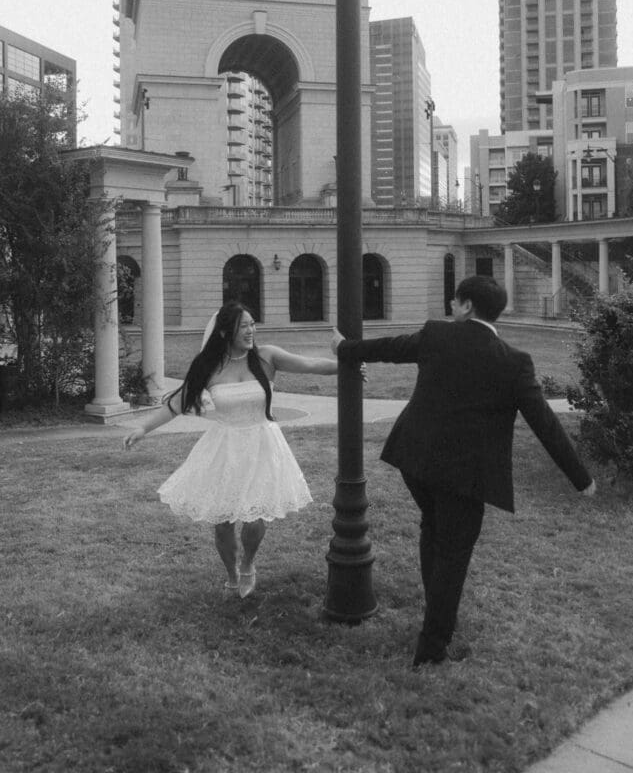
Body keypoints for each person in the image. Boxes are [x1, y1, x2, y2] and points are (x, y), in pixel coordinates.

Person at [332, 275, 596, 669]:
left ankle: (435, 610)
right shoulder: (513, 361)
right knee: (452, 554)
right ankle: (432, 648)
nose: (450, 308)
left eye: (454, 302)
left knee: (433, 531)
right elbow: (544, 422)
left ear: (468, 305)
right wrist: (581, 478)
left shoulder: (437, 336)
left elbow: (389, 349)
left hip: (416, 462)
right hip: (465, 477)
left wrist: (345, 349)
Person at [123, 300, 339, 600]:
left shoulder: (266, 357)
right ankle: (231, 574)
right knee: (223, 522)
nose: (251, 331)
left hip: (262, 444)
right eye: (244, 326)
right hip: (224, 448)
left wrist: (347, 365)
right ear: (225, 332)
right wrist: (143, 428)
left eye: (252, 324)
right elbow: (177, 402)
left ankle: (248, 563)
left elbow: (311, 365)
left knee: (254, 519)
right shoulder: (209, 366)